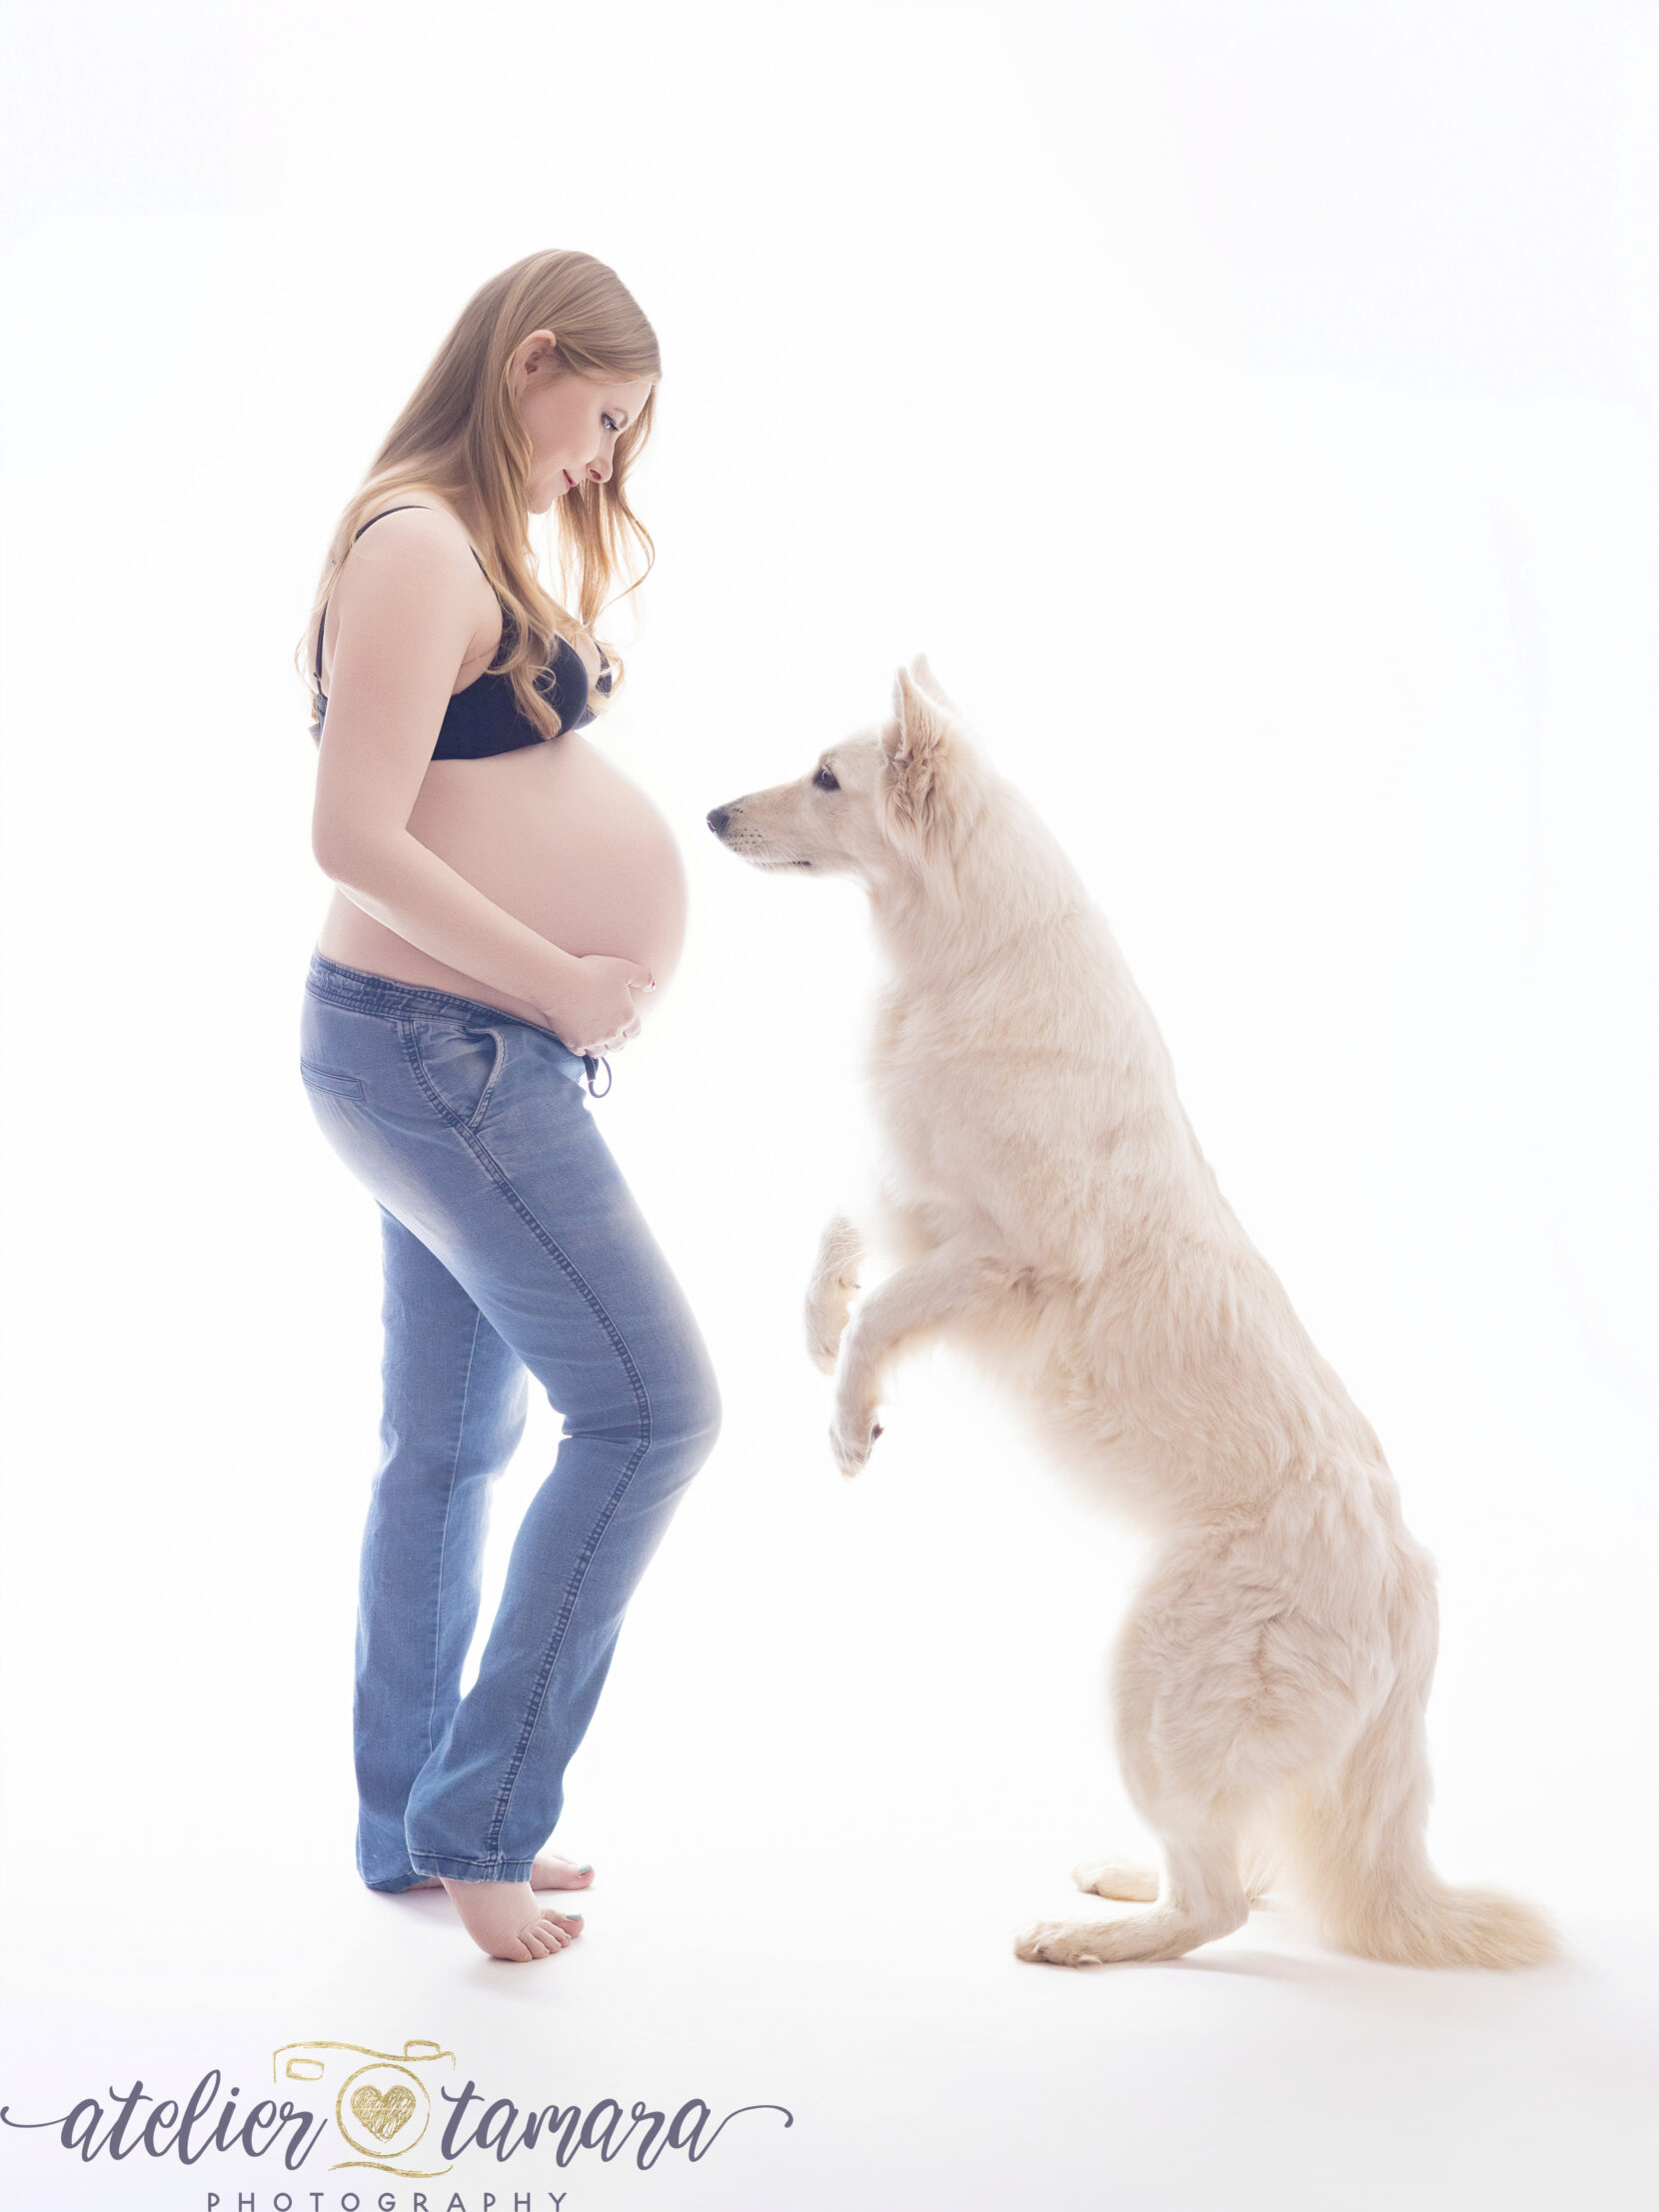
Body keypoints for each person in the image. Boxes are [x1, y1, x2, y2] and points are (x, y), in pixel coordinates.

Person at [295, 249, 722, 1965]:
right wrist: (555, 976)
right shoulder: (414, 543)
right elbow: (352, 835)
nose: (601, 458)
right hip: (441, 1049)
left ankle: (417, 1818)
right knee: (654, 1413)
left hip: (446, 1053)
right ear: (531, 358)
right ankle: (480, 1821)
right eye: (599, 414)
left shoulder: (464, 540)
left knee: (455, 1444)